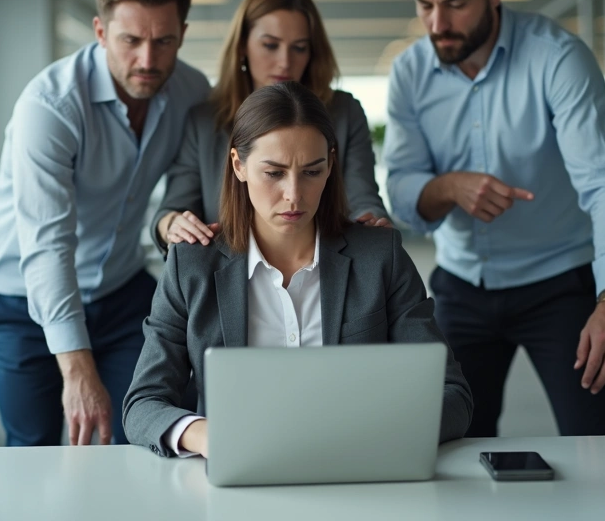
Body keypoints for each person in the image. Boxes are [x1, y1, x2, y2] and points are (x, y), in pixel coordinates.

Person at [384, 0, 605, 437]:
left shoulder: (558, 59)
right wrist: (450, 186)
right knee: (446, 442)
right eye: (424, 5)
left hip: (560, 285)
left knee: (596, 442)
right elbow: (401, 189)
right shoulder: (409, 74)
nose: (437, 23)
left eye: (456, 3)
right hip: (462, 285)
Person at [124, 82, 472, 457]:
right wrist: (207, 435)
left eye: (311, 171)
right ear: (238, 165)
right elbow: (143, 404)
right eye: (273, 173)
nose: (294, 194)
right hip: (239, 471)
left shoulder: (380, 257)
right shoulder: (191, 267)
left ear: (330, 166)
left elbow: (453, 396)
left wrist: (379, 429)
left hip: (358, 472)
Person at [0, 0, 211, 447]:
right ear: (101, 31)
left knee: (147, 435)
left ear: (182, 34)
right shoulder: (50, 106)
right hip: (24, 297)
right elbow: (47, 245)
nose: (148, 59)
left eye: (163, 40)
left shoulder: (191, 91)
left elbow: (194, 182)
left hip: (120, 291)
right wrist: (77, 368)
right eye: (131, 40)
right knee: (31, 452)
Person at [152, 0, 390, 253]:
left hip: (323, 271)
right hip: (228, 278)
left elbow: (363, 195)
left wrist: (371, 222)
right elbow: (173, 208)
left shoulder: (344, 112)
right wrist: (172, 223)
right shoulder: (206, 120)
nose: (285, 62)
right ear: (242, 46)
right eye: (270, 45)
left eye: (299, 47)